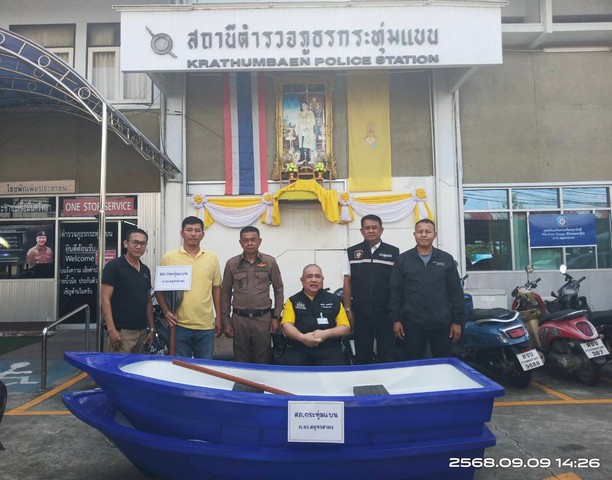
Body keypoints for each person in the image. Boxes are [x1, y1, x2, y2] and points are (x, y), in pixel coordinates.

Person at [389, 219, 465, 360]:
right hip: (412, 324)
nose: (423, 235)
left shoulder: (446, 259)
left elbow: (455, 292)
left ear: (434, 235)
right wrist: (396, 320)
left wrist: (457, 322)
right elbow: (396, 292)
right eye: (420, 231)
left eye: (428, 231)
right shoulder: (403, 260)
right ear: (414, 234)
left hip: (441, 323)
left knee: (442, 364)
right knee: (413, 364)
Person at [156, 216, 222, 359]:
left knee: (204, 367)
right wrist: (166, 312)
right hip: (179, 325)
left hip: (206, 326)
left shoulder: (212, 258)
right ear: (182, 233)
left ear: (203, 234)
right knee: (180, 367)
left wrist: (219, 317)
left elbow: (216, 288)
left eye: (197, 230)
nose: (193, 234)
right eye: (189, 230)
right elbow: (159, 290)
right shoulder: (169, 257)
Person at [221, 226, 284, 364]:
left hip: (263, 319)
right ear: (240, 242)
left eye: (253, 240)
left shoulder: (269, 262)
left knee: (263, 357)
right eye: (246, 240)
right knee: (240, 358)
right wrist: (226, 322)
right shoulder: (232, 263)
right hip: (239, 319)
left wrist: (276, 317)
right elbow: (225, 293)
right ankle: (241, 379)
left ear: (259, 241)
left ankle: (261, 379)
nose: (249, 243)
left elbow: (278, 289)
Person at [343, 214, 399, 364]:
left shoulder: (394, 252)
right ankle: (364, 378)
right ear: (362, 231)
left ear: (381, 230)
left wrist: (396, 314)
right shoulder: (352, 252)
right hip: (360, 313)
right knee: (362, 355)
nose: (371, 231)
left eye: (374, 227)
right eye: (367, 228)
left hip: (386, 313)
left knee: (387, 354)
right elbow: (347, 281)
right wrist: (348, 309)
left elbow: (397, 285)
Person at [277, 264, 351, 366]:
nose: (314, 280)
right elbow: (286, 325)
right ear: (302, 280)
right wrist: (302, 337)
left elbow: (345, 328)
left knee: (336, 367)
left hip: (328, 348)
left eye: (317, 276)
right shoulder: (293, 301)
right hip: (299, 348)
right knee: (286, 365)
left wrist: (326, 333)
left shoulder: (335, 300)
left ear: (322, 279)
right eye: (309, 276)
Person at [101, 228, 155, 353]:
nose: (138, 246)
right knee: (118, 365)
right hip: (122, 333)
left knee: (138, 365)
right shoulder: (114, 266)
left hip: (142, 332)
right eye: (135, 242)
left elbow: (148, 301)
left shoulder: (145, 270)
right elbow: (104, 298)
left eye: (142, 243)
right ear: (126, 243)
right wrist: (111, 329)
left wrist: (152, 329)